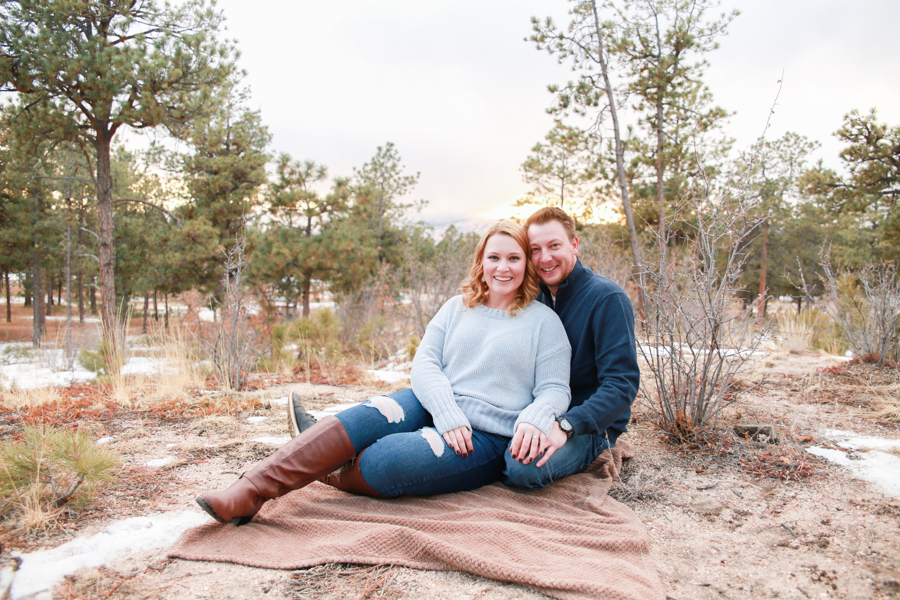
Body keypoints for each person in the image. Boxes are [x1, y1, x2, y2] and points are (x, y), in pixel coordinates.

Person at [197, 220, 571, 526]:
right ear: (481, 262)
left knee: (387, 460)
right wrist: (445, 410)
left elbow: (555, 389)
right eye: (494, 257)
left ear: (526, 265)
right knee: (368, 415)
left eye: (513, 258)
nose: (503, 267)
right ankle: (250, 490)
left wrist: (536, 420)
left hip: (487, 436)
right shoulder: (457, 307)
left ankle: (322, 462)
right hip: (434, 403)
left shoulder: (544, 323)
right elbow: (425, 364)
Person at [501, 206, 640, 489]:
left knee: (521, 469)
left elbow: (622, 384)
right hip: (535, 411)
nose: (545, 258)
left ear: (574, 245)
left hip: (586, 426)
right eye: (535, 250)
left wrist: (568, 426)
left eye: (554, 246)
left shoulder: (606, 299)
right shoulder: (531, 296)